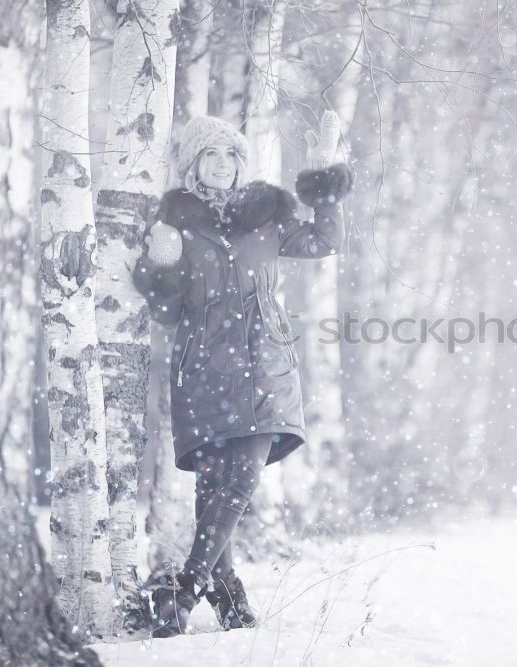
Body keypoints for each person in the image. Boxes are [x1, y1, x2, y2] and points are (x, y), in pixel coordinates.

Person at [132, 114, 354, 638]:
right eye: (211, 155)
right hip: (202, 367)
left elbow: (325, 241)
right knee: (213, 487)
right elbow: (166, 309)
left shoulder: (268, 214)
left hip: (264, 364)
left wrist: (324, 178)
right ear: (192, 166)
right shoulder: (176, 224)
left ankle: (185, 589)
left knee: (243, 478)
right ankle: (229, 596)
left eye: (231, 154)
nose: (223, 164)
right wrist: (161, 265)